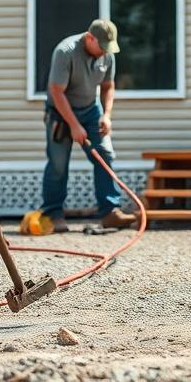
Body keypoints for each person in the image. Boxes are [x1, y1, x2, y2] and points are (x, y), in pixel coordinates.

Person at [39, 20, 137, 233]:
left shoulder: (107, 54)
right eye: (101, 46)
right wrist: (74, 125)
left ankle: (110, 212)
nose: (105, 52)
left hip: (91, 110)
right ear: (89, 37)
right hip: (60, 112)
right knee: (58, 164)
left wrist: (107, 115)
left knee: (105, 155)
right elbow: (56, 91)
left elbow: (108, 86)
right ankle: (53, 214)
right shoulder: (65, 52)